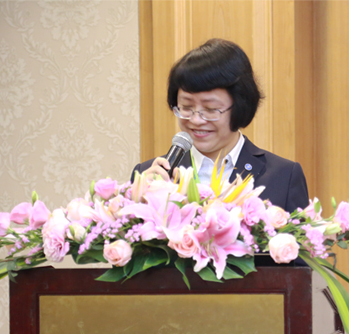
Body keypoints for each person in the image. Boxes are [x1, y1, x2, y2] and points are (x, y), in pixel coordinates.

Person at [132, 38, 309, 213]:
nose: (196, 120)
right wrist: (141, 198)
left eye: (211, 109)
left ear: (240, 106)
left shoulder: (284, 176)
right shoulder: (149, 176)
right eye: (186, 107)